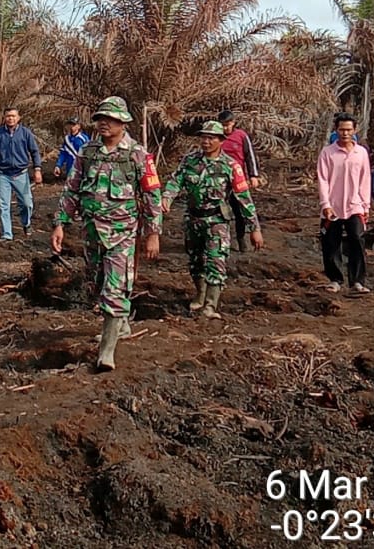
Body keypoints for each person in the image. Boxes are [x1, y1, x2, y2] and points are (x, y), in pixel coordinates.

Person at [51, 96, 162, 371]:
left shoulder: (137, 155)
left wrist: (153, 233)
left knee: (114, 289)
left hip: (122, 234)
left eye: (110, 119)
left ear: (123, 123)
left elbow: (152, 195)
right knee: (98, 285)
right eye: (101, 118)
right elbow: (71, 190)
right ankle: (121, 324)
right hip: (92, 233)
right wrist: (60, 223)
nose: (104, 123)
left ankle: (106, 353)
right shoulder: (87, 153)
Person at [162, 121, 264, 319]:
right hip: (193, 219)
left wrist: (254, 228)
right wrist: (167, 197)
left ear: (221, 141)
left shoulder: (230, 166)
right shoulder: (190, 161)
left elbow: (244, 199)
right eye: (204, 137)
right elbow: (176, 181)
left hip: (217, 220)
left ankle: (210, 305)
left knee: (216, 262)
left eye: (211, 138)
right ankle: (200, 295)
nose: (206, 141)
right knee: (195, 261)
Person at [317, 114, 372, 294]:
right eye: (342, 129)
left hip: (355, 205)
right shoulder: (327, 153)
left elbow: (365, 179)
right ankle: (335, 279)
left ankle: (357, 281)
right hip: (332, 206)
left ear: (355, 130)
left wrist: (365, 206)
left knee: (357, 239)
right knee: (331, 243)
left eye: (349, 129)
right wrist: (326, 204)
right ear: (336, 130)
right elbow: (323, 179)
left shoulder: (361, 153)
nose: (345, 133)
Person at [0, 107, 43, 240]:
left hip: (21, 173)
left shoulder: (25, 133)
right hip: (3, 174)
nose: (10, 118)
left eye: (13, 116)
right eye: (8, 116)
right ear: (4, 118)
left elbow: (34, 151)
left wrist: (37, 169)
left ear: (18, 118)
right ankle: (7, 234)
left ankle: (26, 223)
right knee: (3, 205)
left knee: (27, 204)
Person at [217, 110, 261, 251]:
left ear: (233, 123)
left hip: (238, 179)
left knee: (240, 210)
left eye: (227, 124)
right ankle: (223, 239)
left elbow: (250, 156)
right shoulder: (216, 137)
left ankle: (241, 238)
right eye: (222, 125)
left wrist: (253, 175)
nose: (225, 128)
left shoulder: (241, 136)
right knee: (220, 210)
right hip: (219, 179)